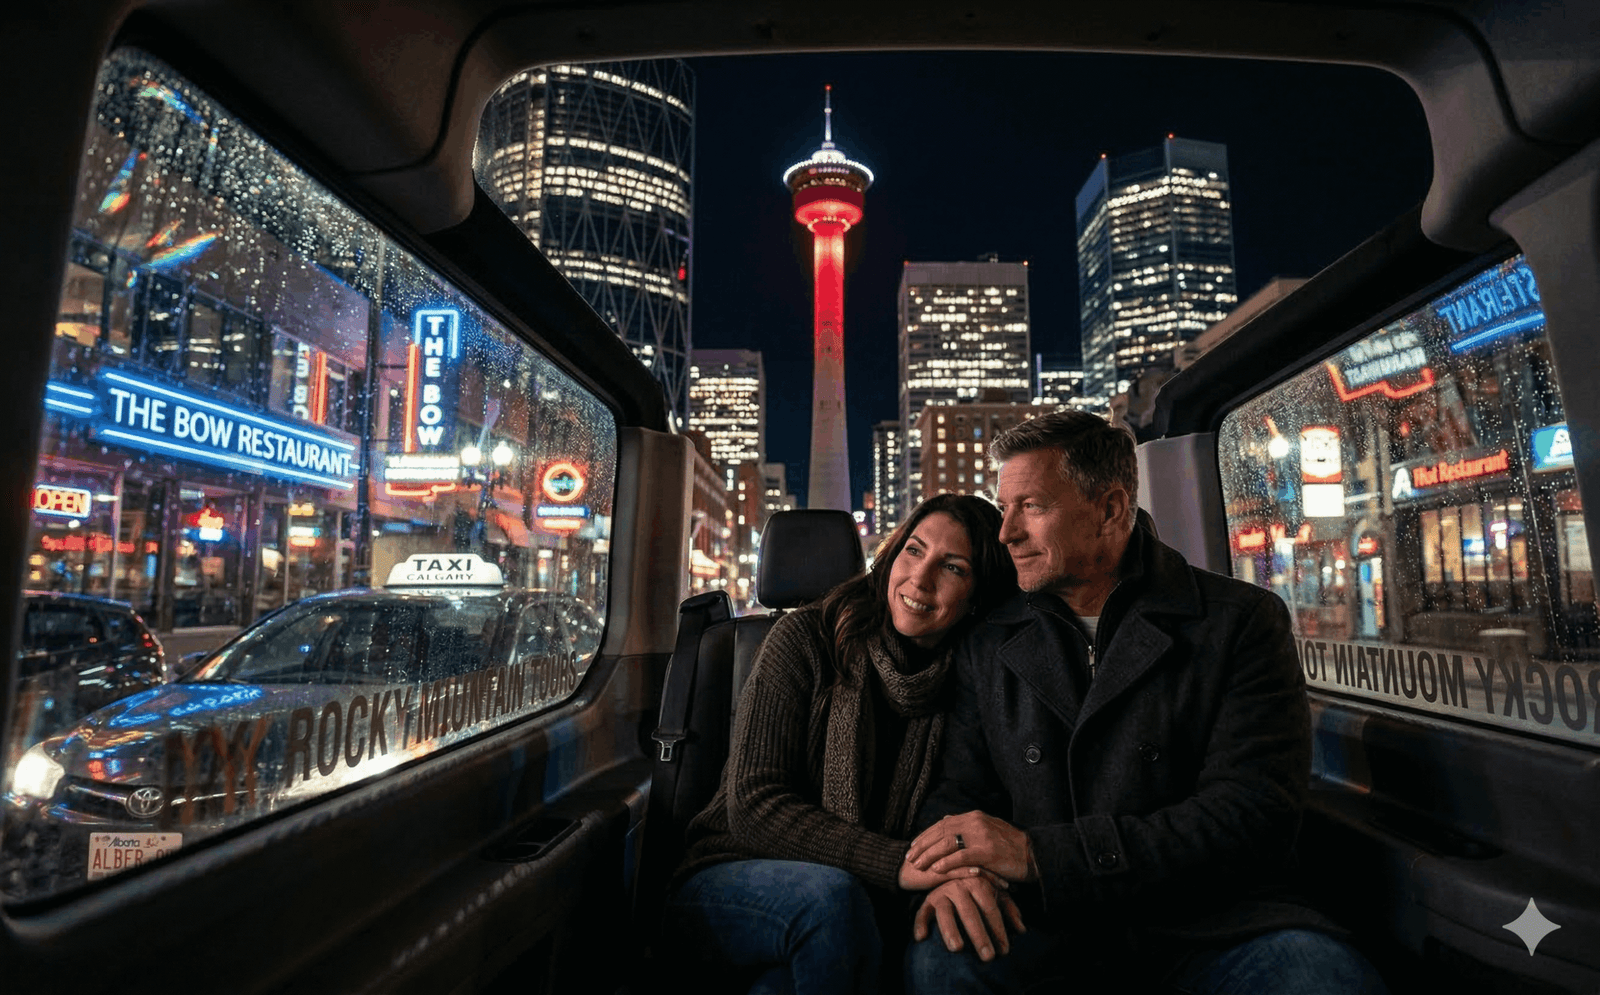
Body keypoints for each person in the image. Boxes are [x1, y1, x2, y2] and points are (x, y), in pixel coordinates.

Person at [901, 411, 1387, 994]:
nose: (1006, 533)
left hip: (1216, 926)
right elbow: (957, 793)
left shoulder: (1238, 623)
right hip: (1049, 927)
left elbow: (1252, 817)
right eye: (1003, 508)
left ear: (1109, 510)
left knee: (1319, 981)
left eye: (1031, 507)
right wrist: (955, 872)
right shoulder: (990, 642)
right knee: (945, 958)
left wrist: (1041, 856)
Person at [667, 494, 1019, 994]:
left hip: (861, 896)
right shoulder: (804, 638)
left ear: (979, 594)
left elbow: (964, 804)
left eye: (953, 567)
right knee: (831, 900)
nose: (920, 578)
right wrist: (900, 865)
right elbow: (754, 805)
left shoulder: (973, 682)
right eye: (913, 551)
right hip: (730, 876)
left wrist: (953, 871)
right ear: (892, 555)